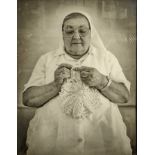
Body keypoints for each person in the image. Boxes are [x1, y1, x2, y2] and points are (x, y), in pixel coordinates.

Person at [23, 12, 132, 155]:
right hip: (52, 144)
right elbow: (28, 99)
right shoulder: (47, 59)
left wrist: (102, 81)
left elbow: (124, 97)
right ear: (62, 34)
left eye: (82, 30)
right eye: (69, 31)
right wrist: (55, 85)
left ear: (90, 33)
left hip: (104, 143)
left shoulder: (107, 58)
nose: (76, 36)